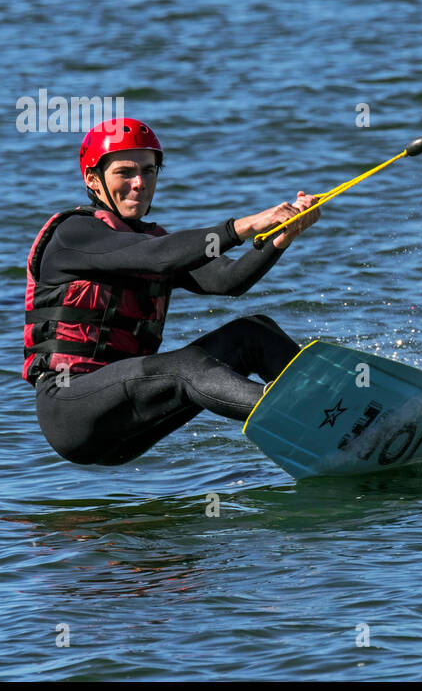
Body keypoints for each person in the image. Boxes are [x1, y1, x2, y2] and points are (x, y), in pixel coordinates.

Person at [24, 117, 320, 465]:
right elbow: (158, 258)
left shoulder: (153, 241)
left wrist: (280, 238)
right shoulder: (74, 235)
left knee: (253, 333)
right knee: (185, 366)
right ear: (93, 179)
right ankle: (305, 416)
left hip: (132, 416)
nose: (139, 183)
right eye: (125, 172)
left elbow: (230, 279)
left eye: (148, 171)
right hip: (72, 411)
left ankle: (333, 402)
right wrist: (247, 225)